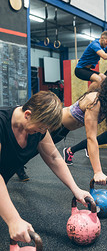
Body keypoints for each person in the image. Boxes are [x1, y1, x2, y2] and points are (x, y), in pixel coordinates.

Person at [0, 91, 92, 243]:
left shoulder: (38, 129)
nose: (42, 133)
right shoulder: (2, 123)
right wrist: (13, 219)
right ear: (27, 114)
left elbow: (54, 157)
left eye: (45, 130)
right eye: (40, 128)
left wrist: (76, 189)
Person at [51, 68, 107, 184]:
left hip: (63, 130)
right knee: (32, 151)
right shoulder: (95, 101)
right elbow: (91, 138)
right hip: (53, 124)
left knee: (34, 151)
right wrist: (97, 172)